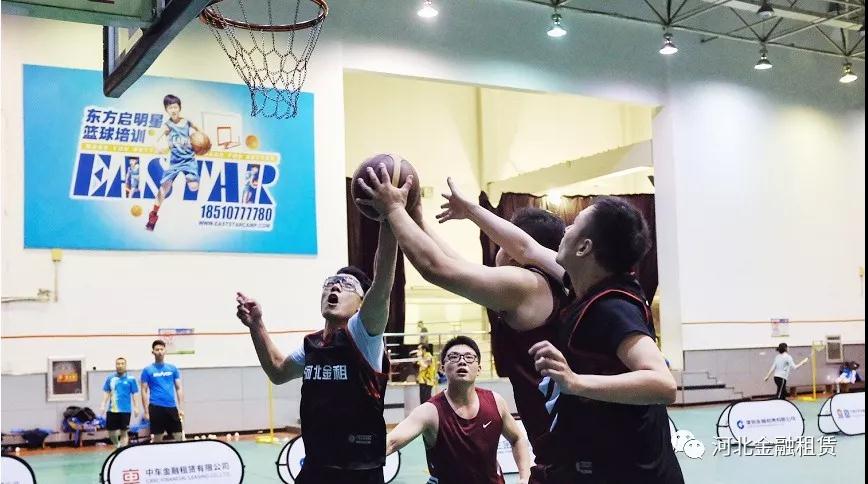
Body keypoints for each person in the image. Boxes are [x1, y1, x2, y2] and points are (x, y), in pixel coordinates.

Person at [355, 169, 569, 481]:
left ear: (514, 248)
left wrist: (393, 209)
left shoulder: (527, 285)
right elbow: (458, 265)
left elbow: (437, 268)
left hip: (569, 461)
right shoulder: (549, 285)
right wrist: (416, 214)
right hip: (568, 453)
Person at [527, 196, 683, 482]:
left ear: (584, 248)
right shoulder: (589, 286)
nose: (565, 229)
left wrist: (575, 382)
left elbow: (663, 384)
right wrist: (471, 210)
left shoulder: (613, 308)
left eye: (573, 225)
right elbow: (527, 248)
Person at [235, 221, 398, 484]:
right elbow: (278, 371)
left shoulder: (363, 335)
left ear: (361, 304)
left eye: (346, 285)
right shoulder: (313, 344)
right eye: (331, 283)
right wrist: (256, 325)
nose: (335, 287)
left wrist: (388, 216)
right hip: (316, 468)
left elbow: (382, 284)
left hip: (358, 473)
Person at [387, 336, 531, 484]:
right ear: (442, 368)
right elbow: (391, 442)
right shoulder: (430, 412)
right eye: (454, 357)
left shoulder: (496, 402)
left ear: (479, 369)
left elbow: (517, 438)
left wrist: (525, 477)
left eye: (469, 357)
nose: (462, 361)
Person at [146, 94, 202, 231]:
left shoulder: (187, 122)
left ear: (179, 108)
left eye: (175, 107)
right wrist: (158, 148)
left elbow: (201, 132)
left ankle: (191, 178)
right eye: (170, 107)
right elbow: (154, 140)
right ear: (166, 109)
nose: (173, 110)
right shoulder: (167, 126)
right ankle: (153, 215)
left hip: (188, 160)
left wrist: (201, 140)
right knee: (163, 189)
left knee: (193, 187)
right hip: (175, 162)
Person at [141, 340, 184, 442]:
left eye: (161, 349)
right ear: (153, 352)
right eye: (157, 350)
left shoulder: (172, 369)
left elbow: (179, 388)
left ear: (165, 351)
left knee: (178, 435)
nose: (159, 352)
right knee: (158, 438)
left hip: (171, 407)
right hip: (156, 407)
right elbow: (144, 391)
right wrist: (146, 411)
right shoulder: (147, 370)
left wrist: (181, 408)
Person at [99, 357, 140, 448]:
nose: (120, 366)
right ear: (116, 365)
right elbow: (107, 392)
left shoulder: (131, 379)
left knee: (124, 432)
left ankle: (122, 449)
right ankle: (117, 446)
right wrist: (103, 405)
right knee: (111, 433)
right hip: (112, 410)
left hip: (125, 410)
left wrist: (136, 407)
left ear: (125, 365)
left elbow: (134, 394)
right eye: (118, 364)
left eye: (122, 364)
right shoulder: (110, 378)